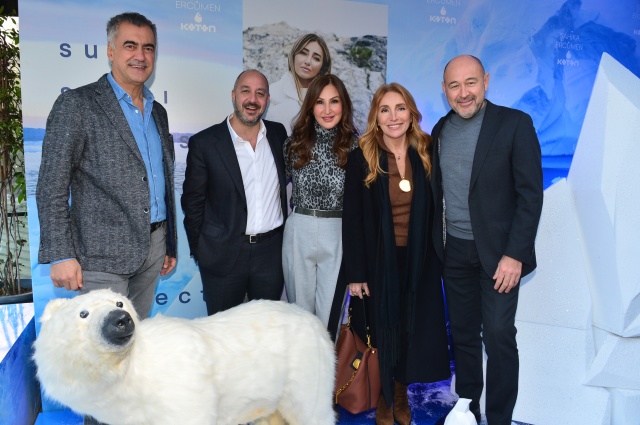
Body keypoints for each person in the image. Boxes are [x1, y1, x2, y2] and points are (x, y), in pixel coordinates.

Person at [36, 12, 177, 320]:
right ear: (111, 51)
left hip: (153, 249)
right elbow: (51, 185)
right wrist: (60, 254)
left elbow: (160, 181)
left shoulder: (158, 112)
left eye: (148, 48)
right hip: (99, 257)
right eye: (130, 46)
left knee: (137, 338)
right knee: (101, 345)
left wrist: (169, 243)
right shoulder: (77, 104)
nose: (140, 56)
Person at [431, 55, 543, 425]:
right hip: (455, 251)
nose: (463, 93)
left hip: (500, 255)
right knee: (463, 335)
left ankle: (498, 418)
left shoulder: (515, 124)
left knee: (498, 334)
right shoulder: (439, 131)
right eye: (454, 85)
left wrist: (515, 254)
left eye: (471, 83)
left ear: (486, 81)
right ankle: (468, 410)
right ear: (444, 89)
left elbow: (530, 196)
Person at [343, 83, 451, 425]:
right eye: (385, 109)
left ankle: (401, 394)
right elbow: (352, 219)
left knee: (410, 331)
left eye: (400, 108)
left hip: (420, 261)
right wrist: (356, 273)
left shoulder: (427, 151)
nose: (393, 117)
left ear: (411, 113)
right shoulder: (362, 156)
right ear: (376, 117)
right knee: (382, 331)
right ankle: (384, 397)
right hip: (379, 262)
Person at [181, 69, 288, 316]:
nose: (252, 100)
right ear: (233, 95)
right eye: (245, 91)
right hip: (223, 254)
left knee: (266, 328)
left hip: (271, 256)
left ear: (267, 100)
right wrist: (203, 251)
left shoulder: (278, 134)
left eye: (260, 93)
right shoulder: (205, 143)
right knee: (222, 332)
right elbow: (192, 203)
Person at [282, 74, 358, 329]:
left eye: (334, 101)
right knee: (300, 318)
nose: (327, 110)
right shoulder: (293, 145)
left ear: (344, 104)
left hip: (338, 231)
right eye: (320, 102)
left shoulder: (356, 147)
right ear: (311, 105)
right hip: (299, 228)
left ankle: (327, 356)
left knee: (329, 319)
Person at [267, 33, 332, 134]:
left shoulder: (329, 99)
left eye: (316, 58)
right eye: (303, 53)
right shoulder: (272, 94)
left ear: (322, 67)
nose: (308, 61)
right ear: (294, 55)